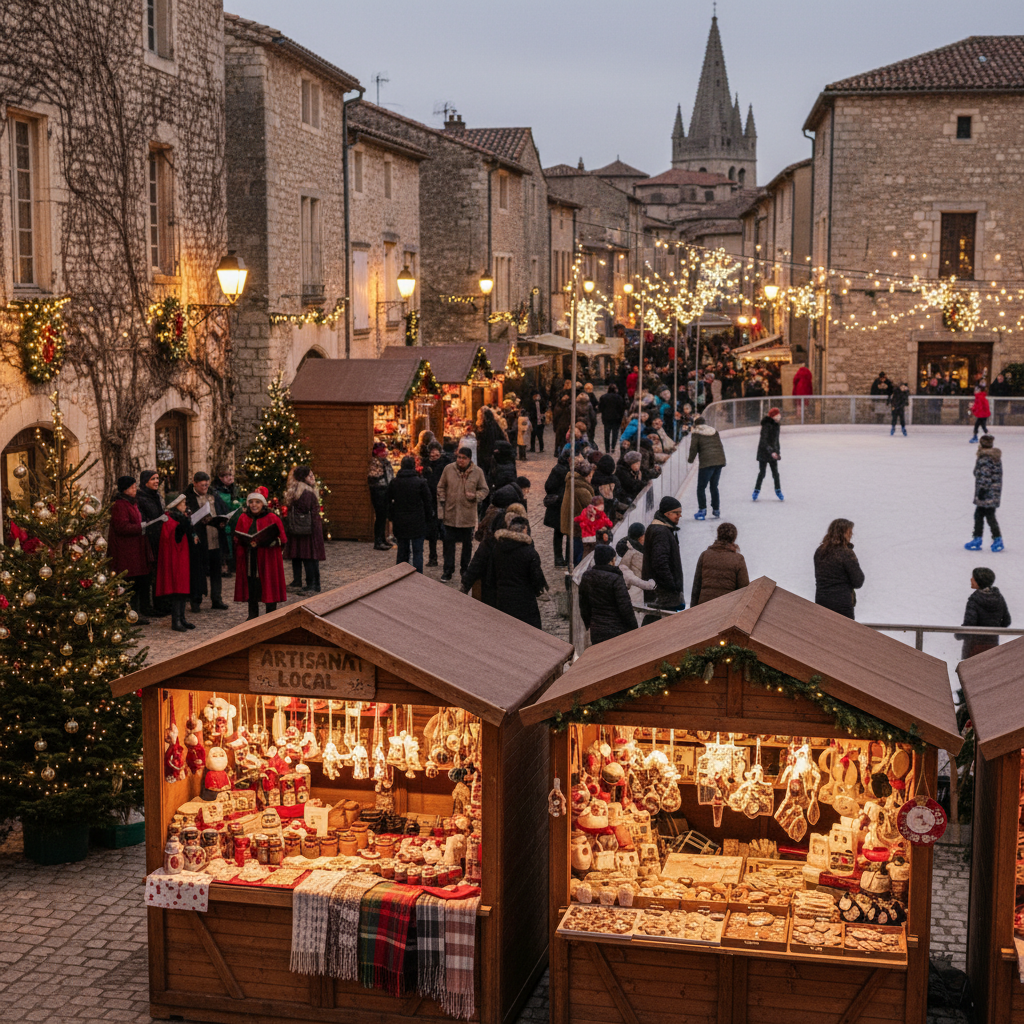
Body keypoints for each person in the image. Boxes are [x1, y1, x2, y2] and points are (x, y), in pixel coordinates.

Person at [436, 446, 489, 582]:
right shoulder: (449, 469)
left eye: (463, 458)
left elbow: (484, 490)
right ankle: (448, 571)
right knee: (448, 545)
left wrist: (475, 495)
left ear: (469, 459)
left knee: (467, 546)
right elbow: (441, 486)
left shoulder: (477, 472)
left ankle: (465, 570)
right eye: (459, 457)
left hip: (467, 516)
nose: (460, 460)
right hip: (450, 514)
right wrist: (442, 497)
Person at [233, 488, 287, 619]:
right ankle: (252, 616)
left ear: (263, 504)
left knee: (268, 585)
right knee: (252, 586)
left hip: (267, 559)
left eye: (257, 502)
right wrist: (243, 541)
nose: (254, 505)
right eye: (251, 502)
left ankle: (270, 616)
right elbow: (237, 537)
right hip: (250, 558)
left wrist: (269, 541)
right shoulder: (243, 518)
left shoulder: (272, 518)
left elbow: (283, 539)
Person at [108, 475, 153, 624]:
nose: (135, 489)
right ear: (126, 489)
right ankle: (129, 615)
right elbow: (121, 527)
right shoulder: (120, 505)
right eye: (133, 487)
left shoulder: (132, 503)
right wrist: (141, 527)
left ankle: (135, 613)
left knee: (137, 582)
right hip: (126, 551)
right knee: (129, 583)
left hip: (135, 548)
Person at [492, 515, 548, 629]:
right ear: (524, 530)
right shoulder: (530, 553)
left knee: (506, 629)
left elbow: (492, 572)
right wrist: (539, 590)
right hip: (525, 598)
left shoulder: (498, 548)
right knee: (529, 631)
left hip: (503, 597)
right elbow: (536, 577)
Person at [184, 471, 227, 613]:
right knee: (198, 571)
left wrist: (222, 521)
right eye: (202, 485)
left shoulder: (213, 494)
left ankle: (217, 599)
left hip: (215, 537)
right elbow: (186, 517)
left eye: (207, 485)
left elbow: (223, 509)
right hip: (200, 540)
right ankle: (196, 600)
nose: (205, 487)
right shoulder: (188, 497)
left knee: (216, 570)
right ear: (195, 483)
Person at [579, 544, 639, 645]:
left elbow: (584, 604)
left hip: (596, 629)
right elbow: (625, 608)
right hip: (617, 629)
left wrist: (588, 624)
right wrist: (634, 629)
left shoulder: (587, 577)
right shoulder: (616, 579)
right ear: (611, 560)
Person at [386, 455, 434, 573]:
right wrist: (428, 518)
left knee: (402, 550)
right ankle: (418, 576)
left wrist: (392, 516)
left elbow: (387, 501)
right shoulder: (420, 482)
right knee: (418, 551)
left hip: (400, 520)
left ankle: (401, 574)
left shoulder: (395, 482)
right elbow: (428, 502)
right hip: (418, 520)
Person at [641, 496, 684, 624]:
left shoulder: (662, 530)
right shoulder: (661, 532)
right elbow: (660, 562)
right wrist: (672, 586)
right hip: (663, 595)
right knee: (659, 627)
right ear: (667, 513)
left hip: (660, 593)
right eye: (676, 513)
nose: (679, 516)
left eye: (680, 512)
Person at [156, 492, 195, 632]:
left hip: (182, 556)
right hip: (175, 558)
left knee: (183, 588)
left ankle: (182, 618)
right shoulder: (169, 519)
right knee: (177, 589)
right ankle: (176, 620)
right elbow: (173, 537)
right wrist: (185, 523)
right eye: (183, 503)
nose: (185, 505)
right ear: (176, 505)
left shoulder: (179, 517)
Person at [284, 465, 326, 593]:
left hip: (301, 527)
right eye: (310, 475)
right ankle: (311, 584)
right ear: (303, 478)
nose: (313, 477)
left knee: (303, 555)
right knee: (307, 555)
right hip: (308, 528)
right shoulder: (307, 493)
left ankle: (306, 583)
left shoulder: (298, 491)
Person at [954, 567, 1011, 659]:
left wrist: (958, 634)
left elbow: (969, 624)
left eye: (974, 578)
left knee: (971, 672)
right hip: (992, 644)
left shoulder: (974, 600)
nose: (971, 579)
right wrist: (993, 629)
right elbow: (1006, 621)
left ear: (980, 581)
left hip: (973, 647)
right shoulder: (999, 598)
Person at [813, 518, 864, 619]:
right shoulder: (846, 553)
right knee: (844, 633)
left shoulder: (820, 551)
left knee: (824, 632)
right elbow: (858, 581)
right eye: (849, 532)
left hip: (821, 601)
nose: (851, 535)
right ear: (843, 533)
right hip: (841, 603)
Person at [691, 522, 750, 607]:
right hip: (726, 608)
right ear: (734, 538)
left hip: (704, 607)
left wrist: (692, 611)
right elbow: (744, 588)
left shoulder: (705, 555)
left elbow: (696, 586)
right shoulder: (738, 559)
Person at [137, 468, 168, 618]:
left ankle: (160, 603)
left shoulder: (156, 496)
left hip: (160, 537)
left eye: (157, 478)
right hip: (149, 540)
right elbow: (143, 519)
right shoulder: (141, 498)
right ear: (145, 482)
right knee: (150, 574)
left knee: (159, 572)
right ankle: (147, 606)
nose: (156, 481)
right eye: (153, 479)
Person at [965, 434, 1004, 553]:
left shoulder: (985, 458)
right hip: (994, 491)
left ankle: (996, 539)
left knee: (988, 515)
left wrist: (982, 490)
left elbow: (985, 476)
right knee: (981, 515)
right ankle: (978, 538)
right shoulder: (994, 457)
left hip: (986, 492)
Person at [687, 415, 727, 520]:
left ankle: (702, 510)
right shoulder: (714, 431)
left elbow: (693, 448)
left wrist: (690, 460)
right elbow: (719, 446)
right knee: (714, 486)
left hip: (707, 463)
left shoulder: (696, 432)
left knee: (701, 487)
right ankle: (716, 509)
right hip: (719, 461)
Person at [421, 442, 451, 567]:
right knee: (432, 531)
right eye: (431, 452)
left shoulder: (446, 463)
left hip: (444, 500)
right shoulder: (425, 464)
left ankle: (447, 559)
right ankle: (433, 557)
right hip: (431, 501)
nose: (433, 454)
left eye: (435, 451)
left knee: (444, 531)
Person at [561, 457, 595, 567]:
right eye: (590, 475)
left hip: (573, 523)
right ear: (587, 475)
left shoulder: (573, 482)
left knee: (574, 548)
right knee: (579, 552)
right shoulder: (581, 489)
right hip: (578, 526)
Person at [212, 465, 244, 578]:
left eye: (231, 475)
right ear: (221, 478)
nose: (230, 478)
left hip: (234, 520)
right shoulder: (216, 491)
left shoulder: (234, 489)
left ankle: (233, 564)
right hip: (223, 519)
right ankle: (224, 564)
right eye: (227, 476)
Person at [615, 523, 656, 610]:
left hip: (632, 592)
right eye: (644, 535)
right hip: (636, 594)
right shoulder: (635, 554)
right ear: (639, 537)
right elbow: (646, 572)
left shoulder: (629, 548)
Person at [543, 453, 570, 567]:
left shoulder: (560, 469)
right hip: (560, 505)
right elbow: (549, 486)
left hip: (560, 506)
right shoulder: (560, 471)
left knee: (560, 533)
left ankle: (561, 558)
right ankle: (564, 558)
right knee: (564, 532)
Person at [367, 442, 395, 551]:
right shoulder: (376, 464)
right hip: (379, 492)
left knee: (384, 517)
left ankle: (383, 539)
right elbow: (373, 478)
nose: (385, 453)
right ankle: (378, 541)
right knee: (380, 517)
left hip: (386, 491)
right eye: (382, 451)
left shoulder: (385, 462)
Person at [752, 407, 783, 501]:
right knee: (762, 473)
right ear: (773, 416)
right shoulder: (766, 425)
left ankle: (778, 490)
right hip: (764, 453)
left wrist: (777, 452)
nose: (779, 416)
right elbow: (764, 441)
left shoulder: (777, 425)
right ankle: (756, 491)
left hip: (773, 452)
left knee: (776, 474)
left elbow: (776, 441)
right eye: (777, 414)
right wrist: (771, 452)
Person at [599, 383, 625, 452]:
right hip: (616, 418)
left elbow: (600, 408)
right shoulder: (619, 398)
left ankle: (607, 448)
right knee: (615, 433)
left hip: (606, 417)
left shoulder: (603, 397)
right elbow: (622, 408)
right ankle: (613, 447)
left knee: (606, 433)